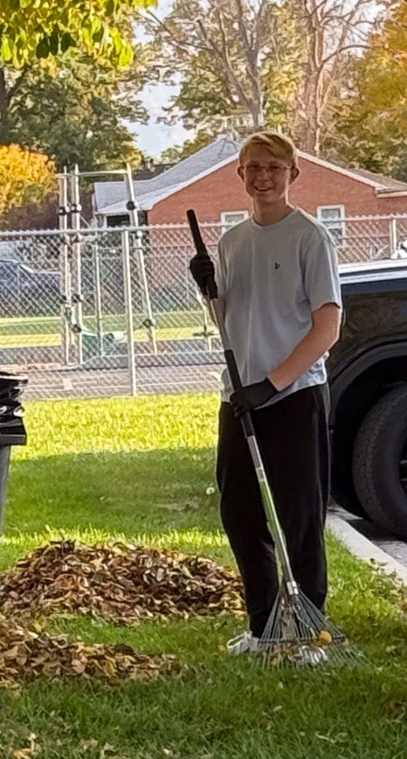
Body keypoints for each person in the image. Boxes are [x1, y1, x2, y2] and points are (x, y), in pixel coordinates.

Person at [188, 131, 342, 654]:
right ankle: (263, 626)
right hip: (240, 397)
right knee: (242, 514)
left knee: (299, 515)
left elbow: (327, 326)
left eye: (274, 168)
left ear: (292, 175)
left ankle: (308, 633)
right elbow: (226, 319)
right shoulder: (233, 242)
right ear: (241, 175)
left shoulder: (310, 237)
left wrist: (272, 384)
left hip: (294, 396)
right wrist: (207, 287)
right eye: (254, 168)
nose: (263, 177)